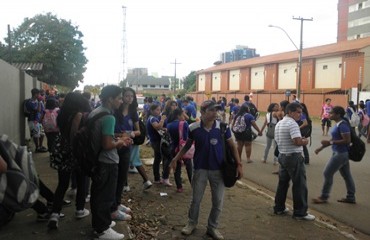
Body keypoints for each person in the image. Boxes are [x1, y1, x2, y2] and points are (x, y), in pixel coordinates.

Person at [170, 100, 243, 240]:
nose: (215, 113)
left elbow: (233, 146)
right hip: (200, 169)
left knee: (218, 201)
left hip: (219, 170)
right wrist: (175, 158)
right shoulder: (193, 128)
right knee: (196, 199)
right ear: (202, 112)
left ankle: (212, 227)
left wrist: (239, 164)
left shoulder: (223, 127)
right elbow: (187, 146)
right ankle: (191, 223)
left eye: (216, 110)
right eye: (211, 110)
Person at [89, 85, 132, 240]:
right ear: (110, 99)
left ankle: (100, 224)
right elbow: (107, 145)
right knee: (105, 197)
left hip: (96, 160)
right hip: (107, 162)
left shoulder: (96, 112)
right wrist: (120, 142)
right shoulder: (109, 117)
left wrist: (117, 137)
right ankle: (102, 229)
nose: (121, 101)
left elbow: (101, 137)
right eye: (119, 98)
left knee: (98, 194)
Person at [48, 92, 91, 229]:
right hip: (73, 152)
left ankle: (55, 214)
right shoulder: (78, 114)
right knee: (82, 181)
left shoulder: (62, 114)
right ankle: (79, 210)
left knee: (62, 184)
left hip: (62, 150)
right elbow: (74, 135)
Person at [273, 102, 315, 221]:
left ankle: (279, 207)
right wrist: (305, 141)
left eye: (301, 112)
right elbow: (296, 141)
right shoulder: (292, 124)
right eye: (298, 112)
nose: (300, 115)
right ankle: (300, 213)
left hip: (283, 155)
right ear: (290, 112)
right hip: (293, 156)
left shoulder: (280, 123)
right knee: (299, 185)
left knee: (283, 184)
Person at [312, 106, 356, 204]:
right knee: (347, 176)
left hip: (341, 154)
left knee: (327, 173)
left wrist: (330, 143)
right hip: (338, 152)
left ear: (338, 115)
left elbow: (347, 140)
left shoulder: (343, 125)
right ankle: (351, 197)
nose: (329, 114)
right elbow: (333, 139)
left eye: (331, 113)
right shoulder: (337, 124)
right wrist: (321, 148)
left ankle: (324, 197)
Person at [166, 108, 193, 193]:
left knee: (177, 168)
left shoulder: (169, 124)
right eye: (183, 114)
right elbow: (185, 138)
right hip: (183, 149)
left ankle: (179, 187)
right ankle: (193, 184)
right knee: (189, 167)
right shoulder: (183, 124)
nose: (184, 116)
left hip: (173, 148)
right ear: (178, 115)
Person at [146, 104, 169, 184]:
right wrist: (162, 119)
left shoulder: (154, 118)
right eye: (157, 110)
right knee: (159, 159)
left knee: (158, 159)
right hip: (155, 141)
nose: (159, 112)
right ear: (152, 111)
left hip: (157, 141)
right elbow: (157, 127)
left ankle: (158, 178)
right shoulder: (152, 118)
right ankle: (158, 178)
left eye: (160, 110)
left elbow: (159, 128)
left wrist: (164, 128)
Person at [25, 88, 48, 153]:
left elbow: (42, 110)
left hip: (39, 121)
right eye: (38, 94)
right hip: (33, 121)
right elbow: (38, 110)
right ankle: (37, 148)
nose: (40, 95)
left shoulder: (37, 101)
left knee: (42, 134)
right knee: (36, 135)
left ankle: (40, 146)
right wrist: (40, 102)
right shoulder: (30, 102)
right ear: (35, 94)